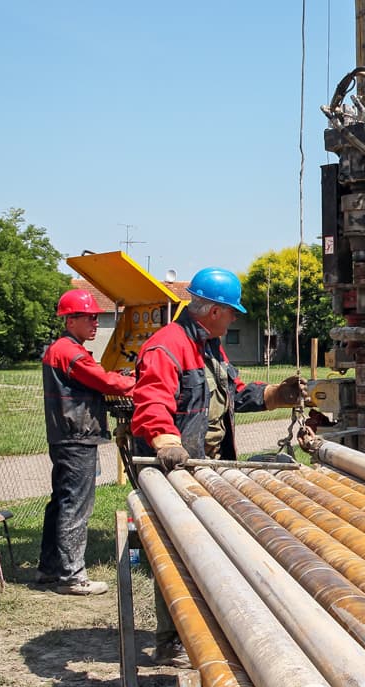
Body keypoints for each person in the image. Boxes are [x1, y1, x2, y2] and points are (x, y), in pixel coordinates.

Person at [130, 267, 306, 666]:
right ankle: (172, 640)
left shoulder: (209, 348)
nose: (233, 319)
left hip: (204, 465)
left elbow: (233, 395)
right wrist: (167, 442)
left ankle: (206, 628)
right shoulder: (167, 347)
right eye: (231, 312)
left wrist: (277, 394)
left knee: (208, 550)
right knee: (177, 553)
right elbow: (152, 402)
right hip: (174, 466)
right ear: (214, 311)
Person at [40, 289, 136, 596]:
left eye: (96, 317)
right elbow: (106, 382)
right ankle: (72, 577)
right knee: (76, 506)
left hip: (65, 435)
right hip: (76, 436)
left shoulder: (60, 349)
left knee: (61, 502)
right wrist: (138, 382)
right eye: (89, 318)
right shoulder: (71, 353)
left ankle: (49, 568)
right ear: (70, 321)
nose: (95, 323)